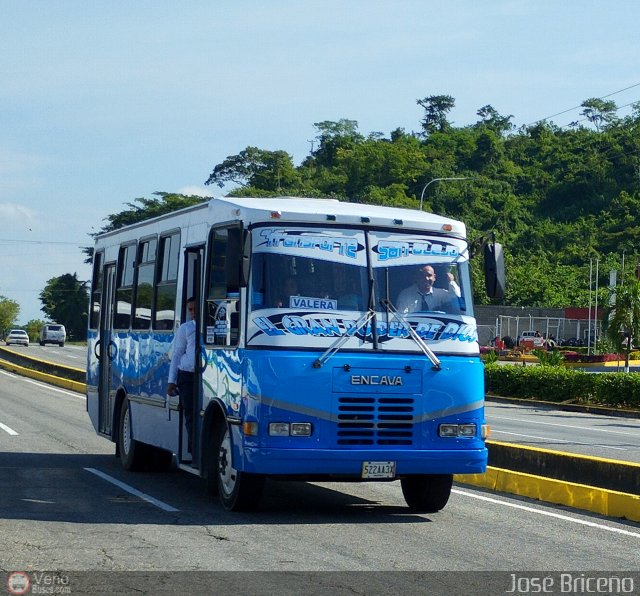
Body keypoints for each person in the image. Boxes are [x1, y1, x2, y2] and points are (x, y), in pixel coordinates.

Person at [167, 297, 196, 454]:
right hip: (186, 376)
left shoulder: (215, 328)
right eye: (190, 310)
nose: (193, 313)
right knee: (190, 413)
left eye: (195, 309)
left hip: (206, 378)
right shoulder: (186, 329)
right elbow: (177, 355)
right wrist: (172, 381)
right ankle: (193, 450)